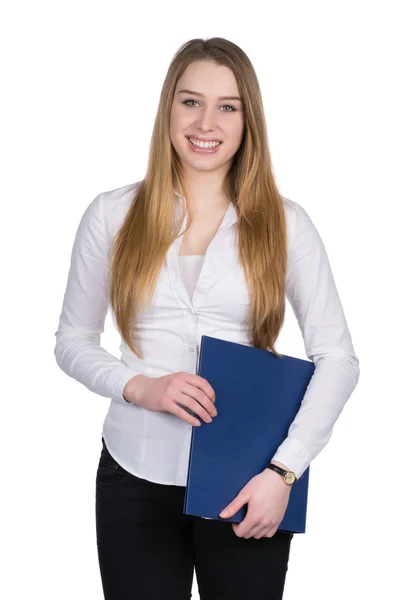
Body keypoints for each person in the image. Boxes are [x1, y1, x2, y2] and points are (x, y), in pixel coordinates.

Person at [54, 37, 360, 600]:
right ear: (168, 108)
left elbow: (338, 357)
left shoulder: (287, 225)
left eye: (228, 106)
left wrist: (283, 472)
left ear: (248, 120)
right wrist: (139, 386)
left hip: (248, 479)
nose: (207, 122)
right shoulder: (111, 214)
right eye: (191, 101)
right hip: (134, 475)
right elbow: (72, 339)